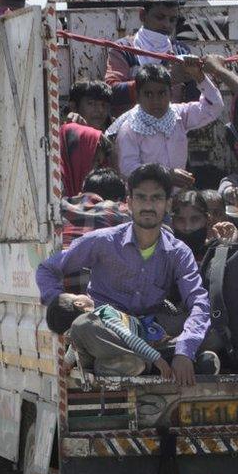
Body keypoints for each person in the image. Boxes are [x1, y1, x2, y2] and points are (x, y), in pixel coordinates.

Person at [36, 163, 211, 386]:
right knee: (83, 326)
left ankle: (135, 362)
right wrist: (61, 305)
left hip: (148, 330)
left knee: (207, 330)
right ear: (129, 203)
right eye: (141, 198)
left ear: (167, 205)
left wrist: (185, 350)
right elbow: (47, 269)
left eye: (156, 198)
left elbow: (198, 301)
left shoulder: (178, 252)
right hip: (106, 331)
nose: (148, 206)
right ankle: (150, 361)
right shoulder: (103, 241)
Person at [108, 62, 224, 189]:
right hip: (145, 197)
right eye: (148, 94)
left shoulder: (178, 114)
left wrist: (199, 76)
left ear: (171, 94)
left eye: (162, 93)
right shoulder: (130, 127)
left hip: (176, 196)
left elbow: (214, 107)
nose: (156, 101)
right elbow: (128, 170)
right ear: (138, 96)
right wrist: (165, 175)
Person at [104, 1, 201, 116]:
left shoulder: (181, 51)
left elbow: (194, 102)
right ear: (143, 15)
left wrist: (199, 74)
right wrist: (167, 80)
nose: (167, 25)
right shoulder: (123, 49)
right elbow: (111, 92)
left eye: (172, 20)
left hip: (171, 128)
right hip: (132, 128)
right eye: (160, 17)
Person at [46, 293, 172, 377]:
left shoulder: (97, 320)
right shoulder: (103, 314)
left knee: (99, 366)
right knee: (81, 334)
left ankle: (123, 364)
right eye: (77, 295)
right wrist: (157, 359)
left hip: (132, 353)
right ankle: (123, 363)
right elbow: (129, 337)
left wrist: (66, 364)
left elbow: (128, 337)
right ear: (79, 303)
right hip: (136, 350)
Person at [60, 81, 114, 197]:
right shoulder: (66, 136)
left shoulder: (114, 132)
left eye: (104, 105)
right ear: (74, 107)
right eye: (91, 104)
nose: (99, 110)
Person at [171, 190, 238, 262]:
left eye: (195, 219)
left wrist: (227, 248)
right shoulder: (164, 248)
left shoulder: (214, 250)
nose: (187, 227)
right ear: (172, 221)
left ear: (207, 219)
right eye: (180, 219)